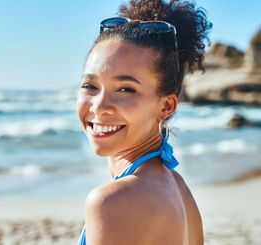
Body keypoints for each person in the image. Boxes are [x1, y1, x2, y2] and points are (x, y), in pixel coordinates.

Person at [76, 0, 212, 244]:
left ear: (166, 106)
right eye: (90, 86)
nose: (99, 107)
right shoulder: (178, 189)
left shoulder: (111, 202)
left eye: (126, 89)